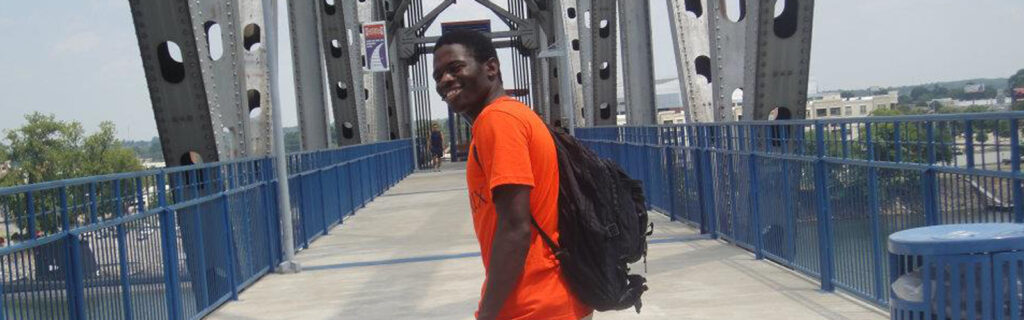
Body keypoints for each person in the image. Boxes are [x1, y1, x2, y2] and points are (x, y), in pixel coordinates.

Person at [433, 29, 592, 320]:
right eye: (438, 76)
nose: (445, 81)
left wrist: (488, 314)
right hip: (557, 299)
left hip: (533, 306)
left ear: (491, 68)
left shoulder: (498, 121)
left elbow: (515, 229)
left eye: (455, 68)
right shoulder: (517, 114)